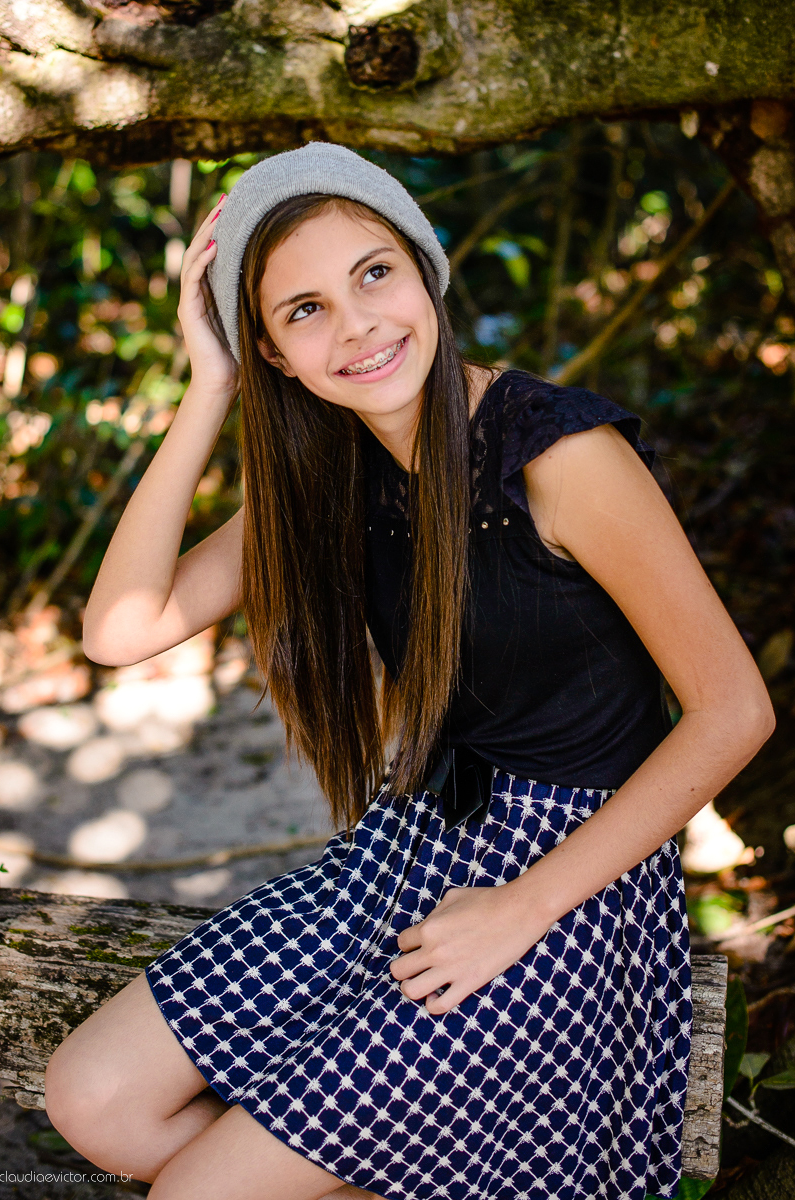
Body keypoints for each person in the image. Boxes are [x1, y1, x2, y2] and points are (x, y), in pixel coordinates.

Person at [44, 143, 774, 1200]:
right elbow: (121, 627)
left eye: (373, 274)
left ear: (427, 266)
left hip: (571, 897)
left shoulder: (557, 457)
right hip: (413, 849)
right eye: (303, 311)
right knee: (94, 1100)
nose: (357, 328)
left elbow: (732, 711)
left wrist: (520, 910)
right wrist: (209, 387)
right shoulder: (333, 475)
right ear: (274, 353)